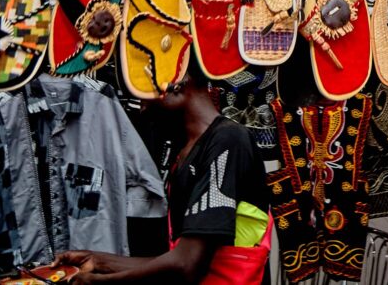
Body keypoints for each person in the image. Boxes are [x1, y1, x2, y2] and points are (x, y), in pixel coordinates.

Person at [58, 62, 271, 284]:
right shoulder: (184, 154)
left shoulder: (228, 141)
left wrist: (97, 282)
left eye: (143, 95)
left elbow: (187, 265)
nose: (142, 108)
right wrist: (97, 261)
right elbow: (176, 259)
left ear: (175, 83)